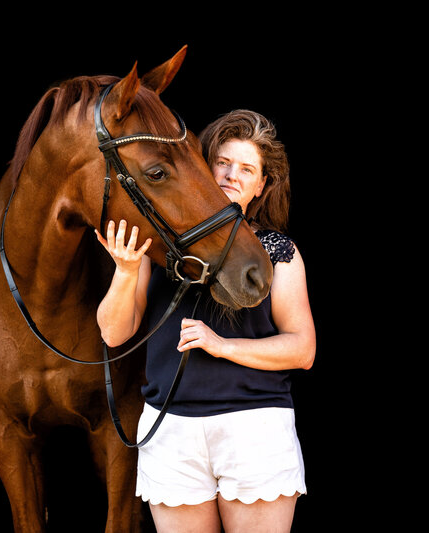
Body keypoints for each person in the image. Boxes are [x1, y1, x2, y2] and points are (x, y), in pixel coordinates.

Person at [95, 110, 315, 533]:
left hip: (253, 428)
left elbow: (303, 349)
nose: (232, 175)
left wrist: (222, 345)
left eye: (247, 169)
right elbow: (113, 332)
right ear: (203, 165)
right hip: (170, 429)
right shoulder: (155, 243)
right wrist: (125, 270)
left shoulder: (277, 250)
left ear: (260, 186)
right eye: (223, 163)